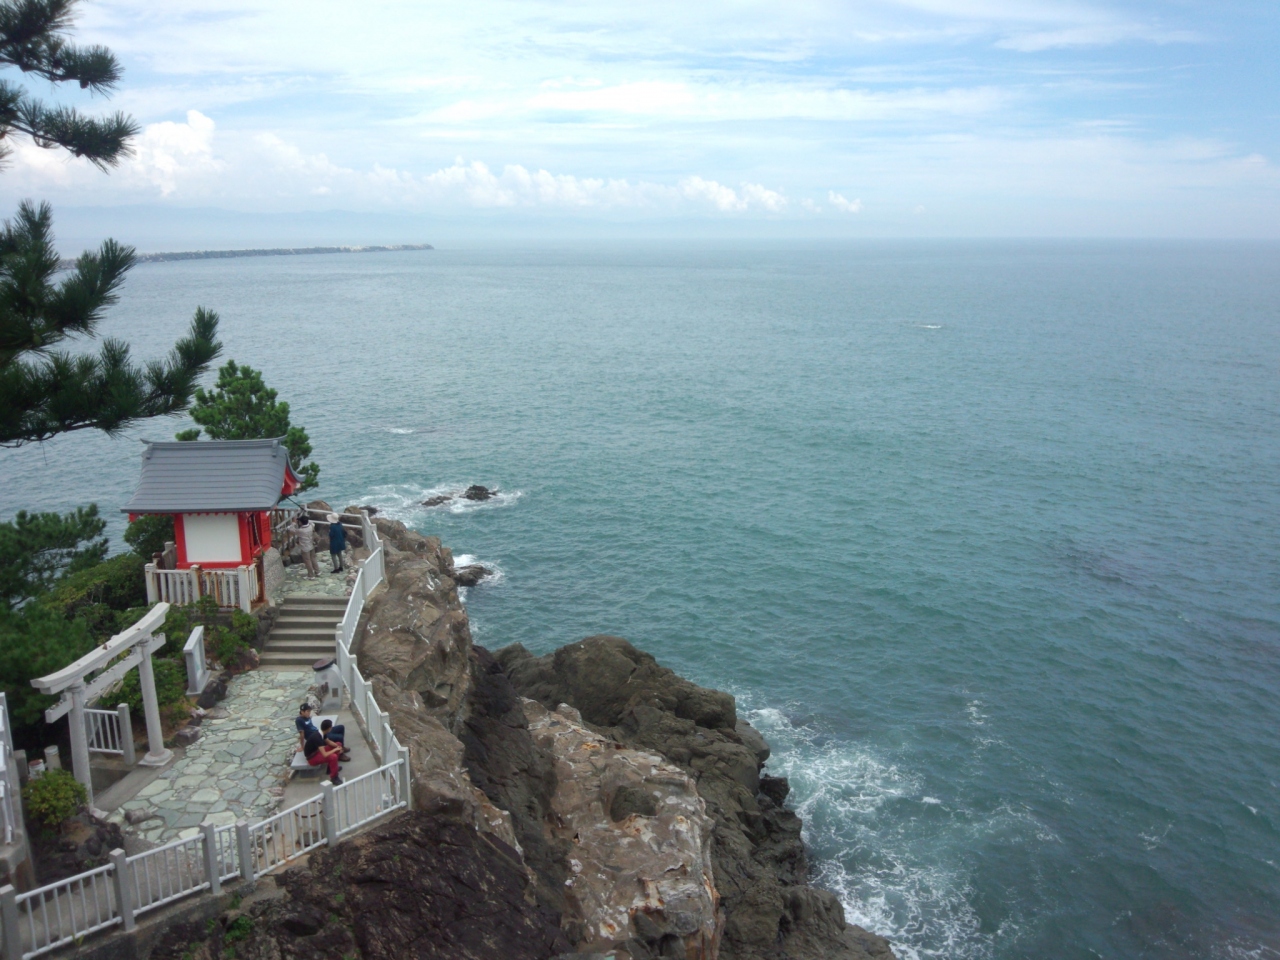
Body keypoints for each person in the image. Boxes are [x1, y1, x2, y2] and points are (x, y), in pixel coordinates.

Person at [292, 512, 319, 579]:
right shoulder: (311, 526)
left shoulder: (301, 531)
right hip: (312, 545)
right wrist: (306, 519)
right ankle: (317, 571)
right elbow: (311, 522)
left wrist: (293, 523)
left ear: (301, 522)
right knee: (313, 558)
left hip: (305, 548)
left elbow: (291, 529)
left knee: (307, 561)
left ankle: (311, 575)